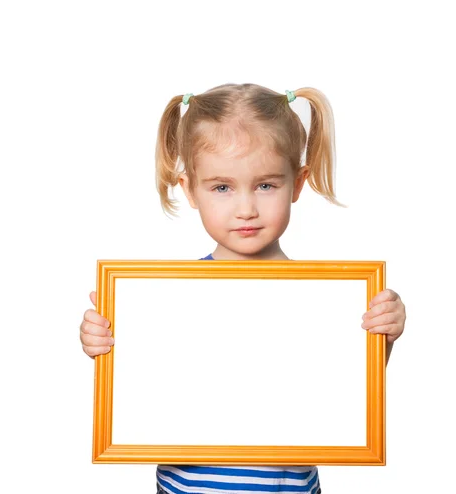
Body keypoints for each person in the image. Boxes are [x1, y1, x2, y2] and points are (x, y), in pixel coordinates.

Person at [79, 83, 407, 494]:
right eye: (222, 187)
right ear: (190, 190)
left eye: (266, 185)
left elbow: (341, 387)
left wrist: (383, 335)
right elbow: (143, 381)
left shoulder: (321, 301)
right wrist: (102, 340)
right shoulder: (167, 302)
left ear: (298, 184)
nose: (246, 208)